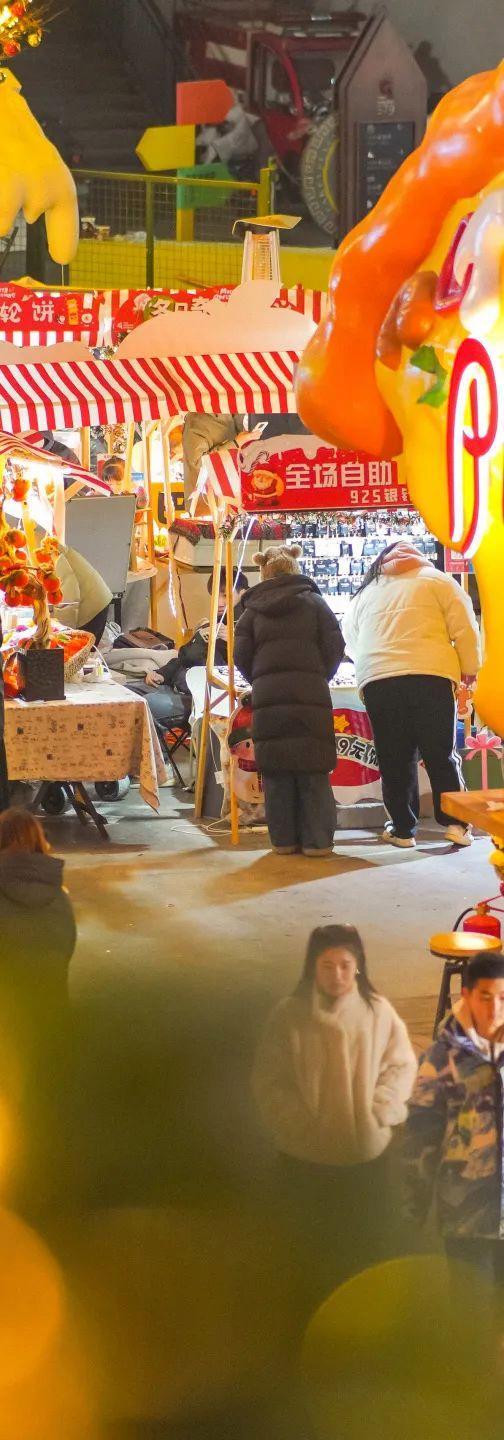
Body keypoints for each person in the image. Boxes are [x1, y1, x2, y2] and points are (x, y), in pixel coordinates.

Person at [253, 924, 417, 1283]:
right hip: (305, 1154)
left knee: (363, 1241)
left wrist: (380, 1109)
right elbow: (270, 1079)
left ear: (358, 966)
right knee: (306, 1244)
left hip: (365, 1153)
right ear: (312, 966)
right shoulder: (289, 1015)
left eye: (345, 965)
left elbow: (401, 1065)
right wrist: (297, 1123)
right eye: (327, 965)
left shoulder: (378, 1012)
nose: (337, 975)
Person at [342, 541, 481, 849]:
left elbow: (350, 639)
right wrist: (470, 668)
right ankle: (456, 824)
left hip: (380, 680)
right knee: (440, 754)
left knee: (394, 757)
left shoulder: (367, 592)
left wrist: (372, 663)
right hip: (431, 677)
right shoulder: (440, 581)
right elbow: (465, 627)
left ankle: (403, 830)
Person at [234, 545, 344, 856]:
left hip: (269, 698)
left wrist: (260, 678)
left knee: (277, 770)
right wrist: (319, 675)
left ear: (263, 571)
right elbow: (335, 646)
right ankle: (317, 842)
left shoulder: (252, 610)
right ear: (294, 567)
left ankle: (283, 841)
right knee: (313, 769)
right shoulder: (315, 603)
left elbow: (240, 654)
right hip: (310, 695)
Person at [403, 955, 504, 1285]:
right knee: (469, 1305)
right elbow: (420, 1141)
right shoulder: (439, 1062)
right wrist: (411, 1213)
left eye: (503, 998)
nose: (495, 1009)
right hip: (466, 1219)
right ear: (466, 994)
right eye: (485, 996)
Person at [142, 568, 249, 730]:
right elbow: (184, 657)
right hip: (182, 684)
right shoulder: (215, 625)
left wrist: (234, 642)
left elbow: (243, 673)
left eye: (226, 596)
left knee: (147, 702)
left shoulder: (247, 630)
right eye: (215, 596)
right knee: (132, 691)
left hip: (209, 701)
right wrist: (162, 673)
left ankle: (157, 747)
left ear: (243, 594)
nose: (219, 602)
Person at [54, 542, 113, 645]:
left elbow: (68, 602)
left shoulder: (60, 561)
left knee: (83, 649)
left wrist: (63, 631)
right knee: (86, 647)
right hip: (97, 599)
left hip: (92, 606)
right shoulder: (60, 551)